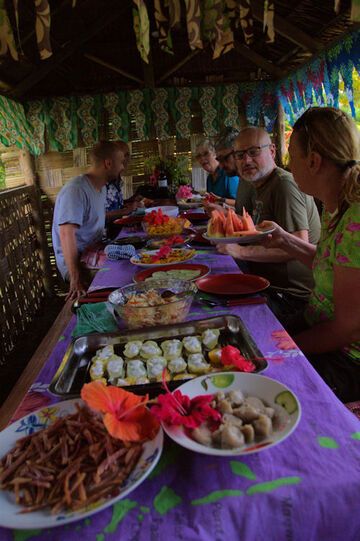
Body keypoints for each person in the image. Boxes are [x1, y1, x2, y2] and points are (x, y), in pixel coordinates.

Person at [260, 107, 360, 402]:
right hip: (316, 322)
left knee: (262, 382)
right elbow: (331, 263)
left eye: (292, 155)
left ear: (314, 161)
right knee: (252, 335)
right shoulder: (340, 206)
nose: (288, 164)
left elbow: (348, 330)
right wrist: (284, 240)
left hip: (347, 359)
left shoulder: (356, 219)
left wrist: (281, 350)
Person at [217, 126, 321, 311]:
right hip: (263, 282)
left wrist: (241, 252)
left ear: (272, 150)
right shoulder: (254, 183)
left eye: (253, 152)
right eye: (240, 155)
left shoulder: (283, 185)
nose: (246, 160)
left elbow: (296, 246)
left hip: (292, 296)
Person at [52, 140, 127, 300]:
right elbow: (66, 234)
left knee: (132, 260)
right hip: (78, 263)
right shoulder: (76, 190)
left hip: (95, 253)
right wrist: (75, 277)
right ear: (108, 163)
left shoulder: (101, 188)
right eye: (121, 162)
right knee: (125, 278)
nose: (122, 167)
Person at [105, 141, 144, 220]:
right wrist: (125, 211)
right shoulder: (101, 182)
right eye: (126, 155)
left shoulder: (117, 178)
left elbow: (116, 205)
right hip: (106, 231)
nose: (128, 159)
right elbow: (96, 216)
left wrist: (131, 200)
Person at [195, 139, 239, 206]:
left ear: (215, 154)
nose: (202, 158)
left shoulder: (229, 173)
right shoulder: (209, 178)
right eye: (199, 156)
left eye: (206, 153)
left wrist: (221, 200)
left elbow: (240, 203)